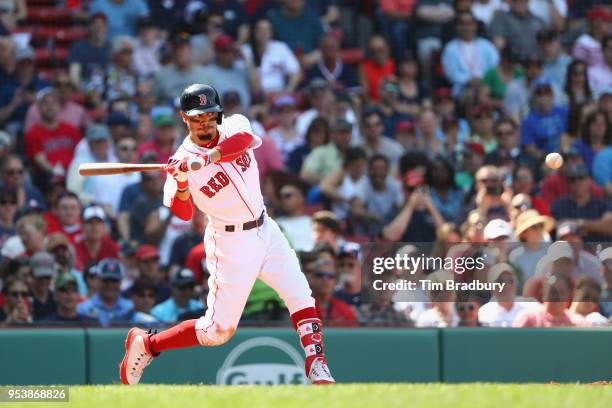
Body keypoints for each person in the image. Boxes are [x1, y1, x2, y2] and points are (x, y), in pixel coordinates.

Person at [119, 83, 336, 385]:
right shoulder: (182, 157)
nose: (205, 124)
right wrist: (182, 180)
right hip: (230, 242)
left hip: (265, 227)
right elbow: (182, 212)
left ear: (219, 114)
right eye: (197, 118)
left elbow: (245, 141)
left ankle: (317, 366)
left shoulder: (235, 126)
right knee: (216, 331)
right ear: (184, 118)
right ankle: (148, 344)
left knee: (300, 293)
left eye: (209, 116)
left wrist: (207, 159)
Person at [23, 89, 82, 182]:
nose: (50, 106)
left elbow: (81, 153)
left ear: (59, 106)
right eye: (45, 103)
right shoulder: (32, 133)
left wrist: (74, 172)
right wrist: (56, 172)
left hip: (74, 174)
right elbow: (39, 160)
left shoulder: (71, 129)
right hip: (48, 177)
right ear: (39, 107)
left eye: (54, 103)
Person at [441, 11, 499, 97]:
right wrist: (468, 80)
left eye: (470, 24)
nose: (467, 27)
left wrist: (484, 80)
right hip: (463, 87)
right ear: (457, 27)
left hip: (487, 85)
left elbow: (495, 66)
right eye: (463, 24)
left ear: (475, 26)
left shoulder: (487, 45)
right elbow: (451, 73)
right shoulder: (450, 48)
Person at [551, 163, 612, 243]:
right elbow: (560, 228)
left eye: (581, 178)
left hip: (601, 252)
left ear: (589, 180)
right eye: (573, 179)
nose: (577, 182)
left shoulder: (603, 204)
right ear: (567, 183)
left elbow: (609, 227)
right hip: (571, 252)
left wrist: (579, 224)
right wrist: (595, 226)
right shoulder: (559, 205)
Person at [241, 18, 301, 94]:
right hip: (253, 94)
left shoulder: (280, 47)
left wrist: (288, 91)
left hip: (278, 94)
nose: (264, 32)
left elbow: (295, 72)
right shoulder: (245, 50)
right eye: (260, 30)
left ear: (271, 32)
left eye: (267, 29)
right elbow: (254, 85)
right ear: (254, 32)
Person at [513, 273, 589, 327]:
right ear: (543, 294)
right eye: (553, 292)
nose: (557, 296)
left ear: (568, 296)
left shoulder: (578, 323)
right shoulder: (529, 318)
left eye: (561, 292)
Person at [77, 258, 134, 327]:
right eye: (106, 280)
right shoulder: (83, 309)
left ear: (121, 281)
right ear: (97, 280)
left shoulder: (130, 308)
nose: (110, 285)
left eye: (114, 281)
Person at [478, 262, 533, 327]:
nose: (506, 286)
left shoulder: (531, 308)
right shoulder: (483, 313)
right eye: (500, 282)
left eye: (510, 281)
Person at [276, 182, 315, 252]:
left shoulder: (314, 222)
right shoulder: (275, 224)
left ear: (301, 198)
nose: (283, 200)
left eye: (288, 196)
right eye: (280, 197)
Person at [29, 251, 57, 320]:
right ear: (31, 274)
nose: (44, 281)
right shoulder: (24, 297)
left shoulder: (56, 299)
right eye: (40, 277)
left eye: (47, 277)